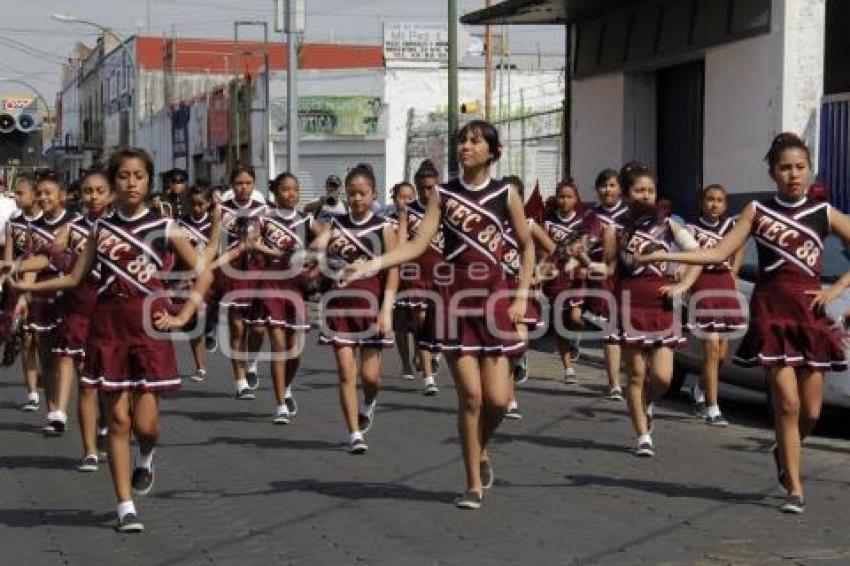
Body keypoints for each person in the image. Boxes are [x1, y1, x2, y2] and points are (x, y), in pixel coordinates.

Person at [638, 133, 850, 514]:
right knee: (786, 403)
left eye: (800, 167)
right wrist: (668, 254)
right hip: (771, 313)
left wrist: (836, 291)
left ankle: (787, 452)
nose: (793, 174)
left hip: (812, 317)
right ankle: (794, 486)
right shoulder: (757, 211)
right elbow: (720, 251)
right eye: (785, 167)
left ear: (809, 170)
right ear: (772, 172)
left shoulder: (824, 213)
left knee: (811, 411)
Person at [343, 121, 534, 509]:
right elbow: (415, 245)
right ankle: (472, 483)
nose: (466, 146)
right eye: (462, 140)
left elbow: (528, 248)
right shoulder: (444, 195)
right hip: (453, 297)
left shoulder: (506, 193)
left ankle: (481, 449)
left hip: (496, 296)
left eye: (476, 141)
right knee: (472, 397)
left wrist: (521, 297)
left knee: (498, 400)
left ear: (493, 151)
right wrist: (372, 264)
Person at [11, 147, 204, 532]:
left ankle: (146, 458)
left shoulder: (165, 227)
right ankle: (124, 505)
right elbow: (73, 277)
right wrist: (24, 288)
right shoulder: (99, 229)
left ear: (149, 181)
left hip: (150, 329)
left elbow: (203, 271)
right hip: (108, 329)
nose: (131, 183)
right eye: (124, 176)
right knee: (117, 419)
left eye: (139, 176)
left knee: (146, 425)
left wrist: (183, 314)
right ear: (114, 183)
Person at [3, 166, 113, 467]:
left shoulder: (119, 226)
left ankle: (104, 425)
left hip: (113, 308)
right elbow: (47, 257)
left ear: (110, 194)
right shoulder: (73, 228)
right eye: (88, 191)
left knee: (103, 377)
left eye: (99, 191)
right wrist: (15, 271)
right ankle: (83, 441)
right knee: (73, 365)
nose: (92, 197)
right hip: (77, 303)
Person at [602, 162, 702, 458]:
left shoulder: (668, 224)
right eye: (639, 190)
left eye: (650, 190)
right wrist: (582, 261)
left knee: (662, 377)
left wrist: (683, 284)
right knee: (634, 373)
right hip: (629, 304)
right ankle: (642, 435)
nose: (646, 195)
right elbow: (608, 268)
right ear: (626, 193)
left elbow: (697, 254)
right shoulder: (615, 228)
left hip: (662, 305)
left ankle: (648, 401)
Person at [312, 164, 399, 453]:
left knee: (370, 377)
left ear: (373, 193)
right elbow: (316, 252)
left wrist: (387, 309)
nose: (357, 199)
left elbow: (393, 271)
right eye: (352, 194)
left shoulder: (384, 227)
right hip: (339, 307)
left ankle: (369, 402)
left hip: (372, 306)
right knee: (346, 373)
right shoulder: (336, 225)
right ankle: (354, 434)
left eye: (363, 193)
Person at [244, 172, 317, 424]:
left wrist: (312, 258)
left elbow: (328, 237)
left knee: (294, 352)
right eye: (285, 189)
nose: (291, 194)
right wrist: (273, 251)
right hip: (271, 285)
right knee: (277, 346)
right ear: (276, 193)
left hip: (295, 287)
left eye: (295, 189)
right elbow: (250, 242)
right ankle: (279, 406)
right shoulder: (264, 219)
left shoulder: (306, 220)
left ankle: (286, 388)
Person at [19, 169, 79, 435]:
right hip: (42, 294)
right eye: (39, 193)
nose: (43, 198)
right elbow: (31, 266)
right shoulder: (35, 228)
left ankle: (65, 408)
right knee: (46, 354)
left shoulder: (75, 224)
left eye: (48, 193)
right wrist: (24, 294)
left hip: (69, 293)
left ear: (62, 196)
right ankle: (53, 409)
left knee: (68, 353)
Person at [684, 184, 746, 426]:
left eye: (719, 200)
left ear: (725, 204)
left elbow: (740, 246)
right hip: (703, 286)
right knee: (710, 348)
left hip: (725, 287)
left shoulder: (732, 228)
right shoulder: (692, 229)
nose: (714, 204)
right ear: (702, 202)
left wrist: (735, 271)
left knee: (720, 355)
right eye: (710, 199)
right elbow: (688, 257)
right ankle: (713, 407)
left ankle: (698, 388)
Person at [218, 165, 266, 398]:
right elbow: (212, 243)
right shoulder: (221, 210)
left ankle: (252, 363)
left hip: (257, 272)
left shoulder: (264, 210)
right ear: (232, 185)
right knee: (237, 328)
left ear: (254, 184)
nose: (243, 188)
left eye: (248, 183)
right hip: (232, 273)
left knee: (257, 328)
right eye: (239, 183)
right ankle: (240, 382)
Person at [388, 180, 438, 392]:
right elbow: (397, 243)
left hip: (438, 274)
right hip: (409, 273)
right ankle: (409, 363)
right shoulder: (398, 216)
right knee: (405, 323)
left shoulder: (441, 210)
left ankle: (426, 351)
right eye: (402, 197)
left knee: (430, 319)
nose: (406, 200)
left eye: (410, 196)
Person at [540, 179, 591, 386]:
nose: (564, 200)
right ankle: (568, 367)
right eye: (561, 196)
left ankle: (575, 339)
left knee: (576, 318)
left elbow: (584, 248)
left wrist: (583, 263)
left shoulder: (582, 223)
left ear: (576, 199)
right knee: (560, 323)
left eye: (569, 197)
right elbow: (544, 250)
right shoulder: (548, 222)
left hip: (575, 276)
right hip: (556, 278)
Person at [585, 169, 629, 401]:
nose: (607, 190)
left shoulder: (630, 214)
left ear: (620, 188)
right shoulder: (592, 216)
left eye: (612, 185)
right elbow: (583, 243)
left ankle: (634, 377)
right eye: (603, 186)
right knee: (611, 330)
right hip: (603, 276)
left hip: (629, 275)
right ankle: (614, 384)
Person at [176, 184, 221, 383]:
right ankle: (200, 366)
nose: (196, 208)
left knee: (211, 311)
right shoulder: (180, 223)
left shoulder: (214, 222)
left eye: (201, 204)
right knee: (193, 323)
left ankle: (211, 328)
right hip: (188, 277)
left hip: (211, 275)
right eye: (192, 204)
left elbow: (218, 248)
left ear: (208, 203)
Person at [3, 174, 41, 406]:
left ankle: (47, 377)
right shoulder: (13, 223)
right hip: (18, 285)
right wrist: (8, 282)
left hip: (44, 286)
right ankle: (32, 392)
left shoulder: (46, 223)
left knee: (44, 340)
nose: (15, 197)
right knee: (25, 338)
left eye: (20, 193)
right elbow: (8, 256)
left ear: (34, 195)